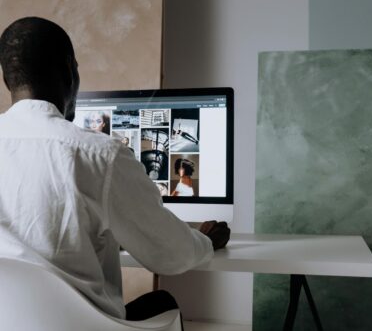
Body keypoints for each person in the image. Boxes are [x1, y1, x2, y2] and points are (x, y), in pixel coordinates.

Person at [0, 17, 230, 323]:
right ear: (70, 71)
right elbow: (170, 255)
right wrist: (205, 241)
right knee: (164, 301)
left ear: (7, 80)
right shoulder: (98, 154)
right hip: (84, 326)